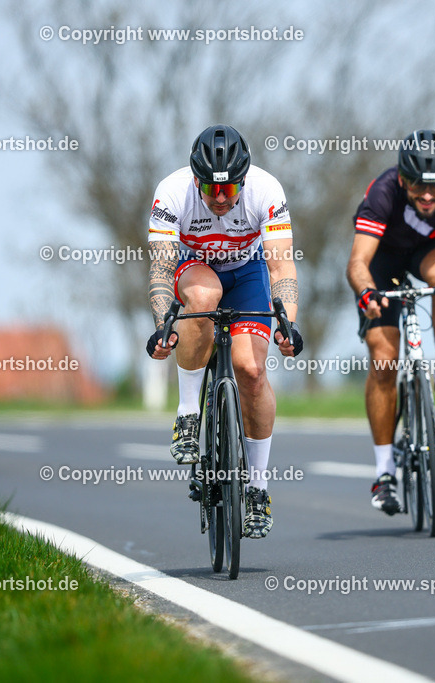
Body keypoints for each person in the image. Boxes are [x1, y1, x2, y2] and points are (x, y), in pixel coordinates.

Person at [146, 124, 303, 539]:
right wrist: (164, 323)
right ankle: (187, 415)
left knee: (250, 371)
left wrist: (287, 320)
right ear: (195, 179)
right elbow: (161, 268)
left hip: (248, 273)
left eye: (229, 190)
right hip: (195, 268)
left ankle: (257, 489)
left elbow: (281, 266)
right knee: (204, 295)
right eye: (210, 189)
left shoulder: (266, 191)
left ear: (243, 181)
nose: (219, 198)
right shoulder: (172, 191)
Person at [346, 129, 435, 515]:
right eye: (419, 186)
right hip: (382, 259)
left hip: (428, 250)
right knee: (384, 360)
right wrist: (368, 293)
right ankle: (384, 473)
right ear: (403, 178)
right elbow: (357, 262)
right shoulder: (382, 193)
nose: (427, 195)